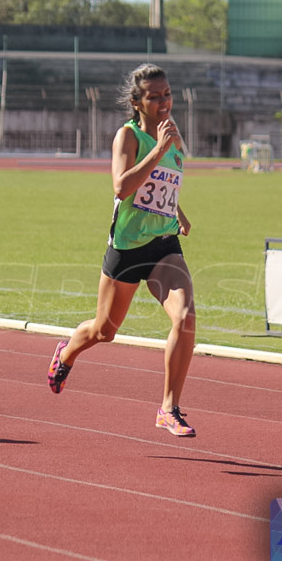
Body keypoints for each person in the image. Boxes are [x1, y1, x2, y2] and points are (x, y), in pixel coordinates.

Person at [47, 63, 197, 437]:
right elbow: (122, 187)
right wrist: (160, 148)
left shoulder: (174, 137)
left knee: (186, 318)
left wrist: (176, 211)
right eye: (154, 96)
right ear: (137, 102)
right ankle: (66, 354)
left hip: (164, 244)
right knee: (104, 331)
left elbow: (162, 184)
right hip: (128, 247)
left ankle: (168, 408)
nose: (164, 102)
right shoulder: (128, 137)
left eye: (167, 94)